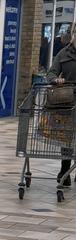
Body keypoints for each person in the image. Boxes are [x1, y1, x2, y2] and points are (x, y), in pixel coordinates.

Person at [47, 32, 75, 187]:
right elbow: (51, 72)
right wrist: (54, 80)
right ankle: (65, 171)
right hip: (67, 102)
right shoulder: (64, 53)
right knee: (67, 138)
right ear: (73, 34)